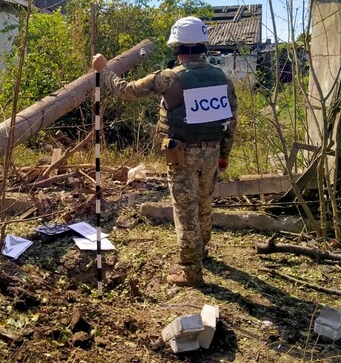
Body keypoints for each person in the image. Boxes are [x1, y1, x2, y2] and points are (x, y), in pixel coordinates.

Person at [92, 16, 238, 287]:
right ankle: (201, 251)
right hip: (212, 152)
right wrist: (224, 154)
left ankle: (190, 272)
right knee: (204, 204)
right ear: (203, 46)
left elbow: (126, 91)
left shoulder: (169, 78)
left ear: (176, 47)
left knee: (185, 212)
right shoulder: (223, 78)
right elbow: (231, 120)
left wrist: (105, 70)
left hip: (181, 154)